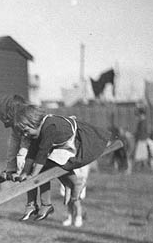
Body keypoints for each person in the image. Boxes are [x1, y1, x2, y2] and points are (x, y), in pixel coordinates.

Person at [6, 96, 111, 226]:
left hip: (76, 140)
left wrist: (33, 175)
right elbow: (32, 153)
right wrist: (25, 172)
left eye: (26, 131)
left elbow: (42, 153)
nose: (25, 135)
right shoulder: (36, 132)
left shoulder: (50, 127)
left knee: (52, 165)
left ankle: (75, 184)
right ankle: (48, 202)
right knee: (47, 167)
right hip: (62, 144)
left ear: (33, 122)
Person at [0, 95, 38, 221]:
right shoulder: (15, 128)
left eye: (1, 114)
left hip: (43, 151)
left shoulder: (25, 123)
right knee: (24, 165)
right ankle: (31, 204)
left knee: (27, 167)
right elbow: (12, 148)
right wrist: (10, 169)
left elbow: (23, 150)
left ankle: (33, 204)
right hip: (31, 154)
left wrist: (19, 172)